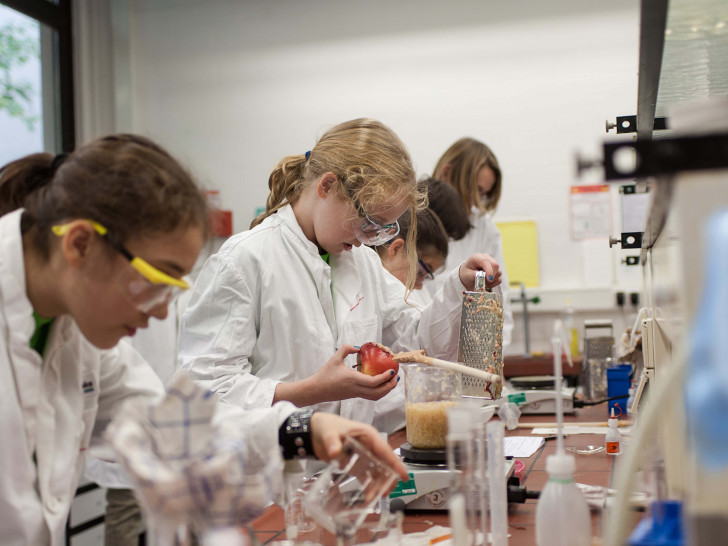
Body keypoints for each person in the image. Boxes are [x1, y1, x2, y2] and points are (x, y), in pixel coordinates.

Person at [0, 134, 407, 545]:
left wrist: (302, 430)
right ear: (80, 244)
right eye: (156, 281)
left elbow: (172, 425)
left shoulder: (77, 331)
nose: (162, 313)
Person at [177, 118, 502, 431]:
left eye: (382, 229)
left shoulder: (361, 263)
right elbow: (203, 392)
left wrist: (458, 283)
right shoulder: (246, 260)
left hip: (347, 468)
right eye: (368, 221)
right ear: (328, 185)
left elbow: (415, 345)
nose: (367, 238)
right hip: (278, 473)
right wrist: (311, 391)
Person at [425, 137, 515, 350]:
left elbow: (500, 303)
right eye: (474, 190)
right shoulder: (409, 220)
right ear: (446, 173)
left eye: (483, 195)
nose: (476, 202)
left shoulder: (483, 228)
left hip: (465, 356)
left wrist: (496, 359)